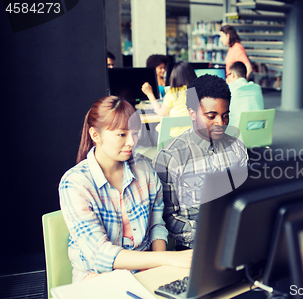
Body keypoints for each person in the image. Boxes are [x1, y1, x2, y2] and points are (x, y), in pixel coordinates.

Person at [59, 96, 192, 283]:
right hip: (97, 278)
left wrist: (160, 271)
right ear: (95, 135)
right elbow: (100, 254)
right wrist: (167, 259)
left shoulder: (145, 169)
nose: (131, 142)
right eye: (122, 134)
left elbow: (157, 226)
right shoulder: (75, 183)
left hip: (145, 271)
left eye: (135, 133)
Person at [153, 74, 248, 250]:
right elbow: (167, 217)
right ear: (192, 114)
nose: (221, 123)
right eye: (211, 116)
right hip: (196, 246)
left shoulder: (237, 148)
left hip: (236, 238)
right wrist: (211, 233)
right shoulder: (170, 157)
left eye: (225, 115)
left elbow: (245, 197)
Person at [142, 61, 197, 136]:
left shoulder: (174, 92)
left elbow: (161, 113)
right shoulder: (198, 91)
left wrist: (149, 94)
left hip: (171, 136)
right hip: (192, 135)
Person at [226, 61, 265, 130]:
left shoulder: (230, 88)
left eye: (228, 75)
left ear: (233, 75)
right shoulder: (257, 88)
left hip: (237, 134)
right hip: (258, 132)